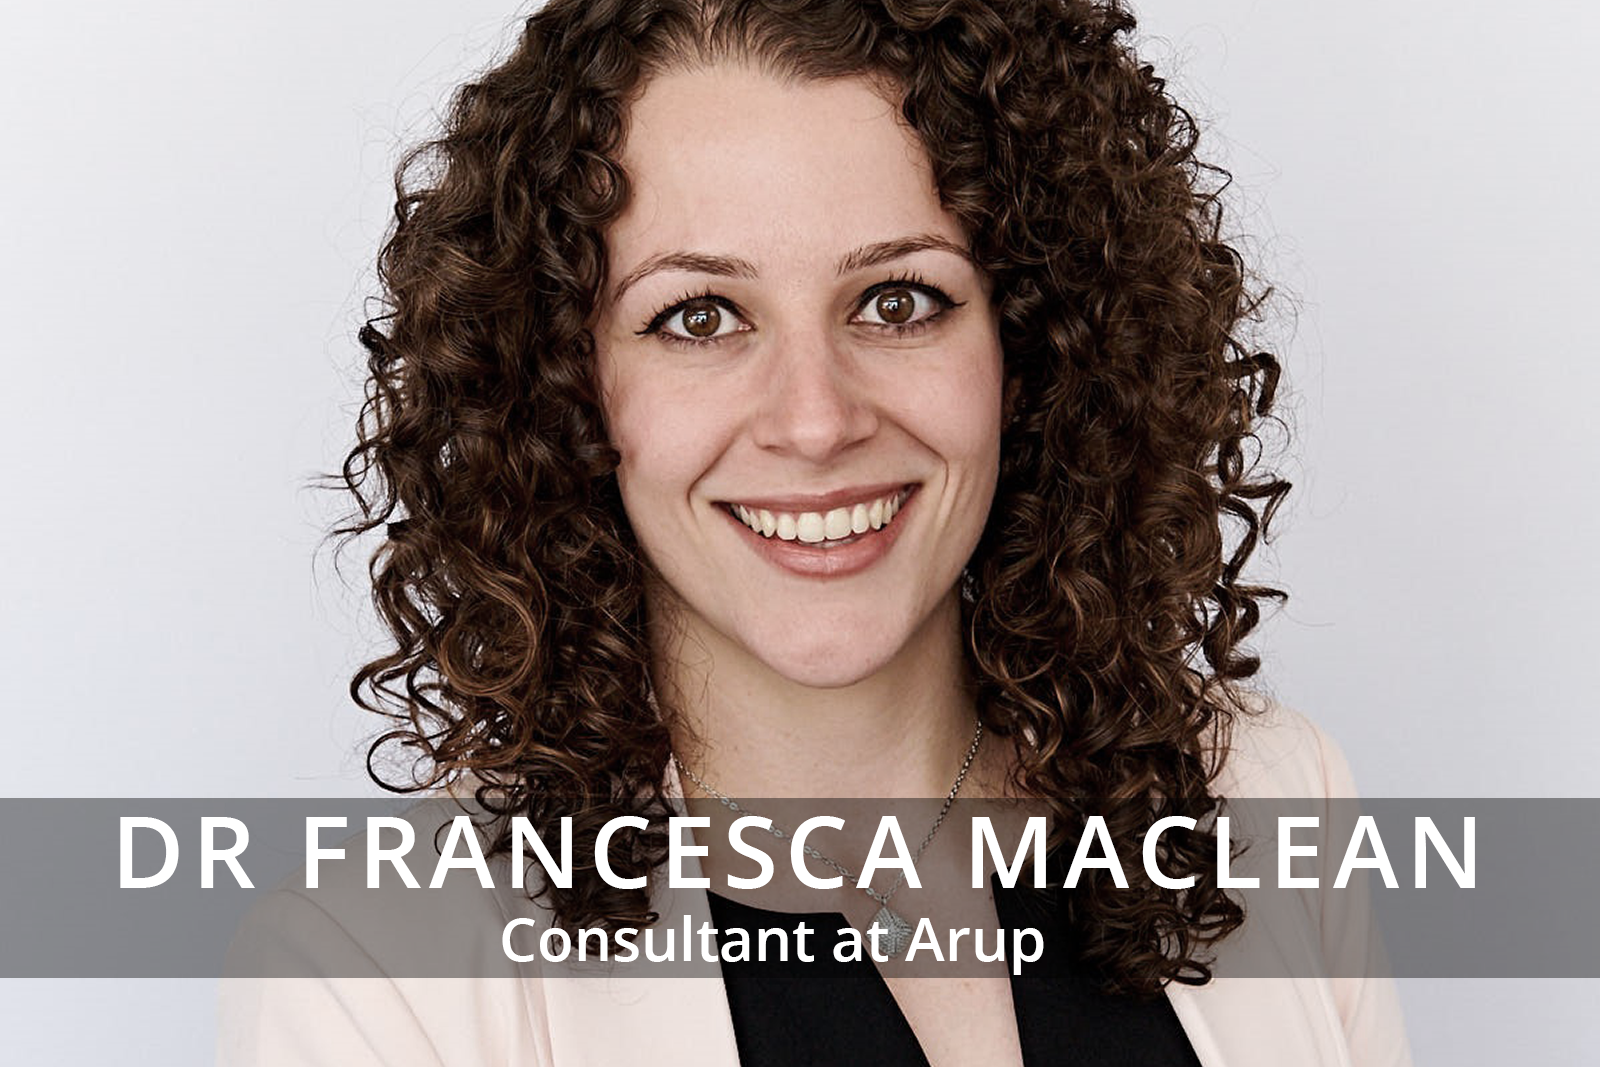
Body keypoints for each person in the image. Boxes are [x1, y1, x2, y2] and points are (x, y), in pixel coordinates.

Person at [221, 1, 1411, 1064]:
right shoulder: (373, 978)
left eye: (899, 301)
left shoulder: (1270, 798)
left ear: (1035, 347)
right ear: (563, 386)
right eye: (697, 315)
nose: (816, 418)